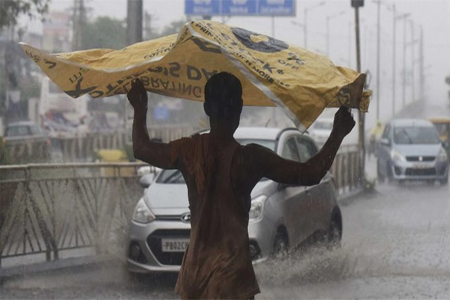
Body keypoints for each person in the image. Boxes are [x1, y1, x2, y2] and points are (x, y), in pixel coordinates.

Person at [127, 72, 355, 300]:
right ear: (240, 108)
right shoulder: (250, 159)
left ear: (206, 108)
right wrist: (337, 133)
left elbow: (142, 148)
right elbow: (311, 173)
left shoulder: (189, 151)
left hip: (194, 276)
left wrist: (140, 109)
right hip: (232, 280)